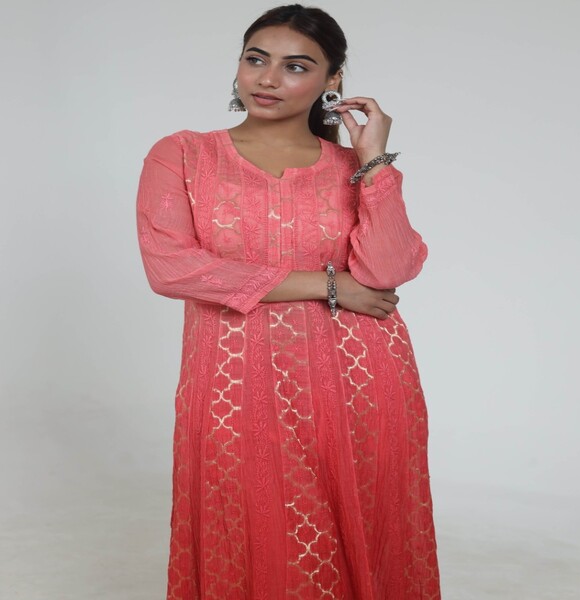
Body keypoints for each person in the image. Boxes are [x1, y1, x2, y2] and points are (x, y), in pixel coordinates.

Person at [136, 4, 440, 599]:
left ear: (333, 80)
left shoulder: (352, 167)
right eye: (257, 59)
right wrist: (330, 284)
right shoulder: (184, 154)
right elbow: (171, 267)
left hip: (358, 384)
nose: (269, 78)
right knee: (252, 532)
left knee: (362, 537)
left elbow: (388, 269)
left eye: (296, 66)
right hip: (233, 387)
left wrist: (374, 160)